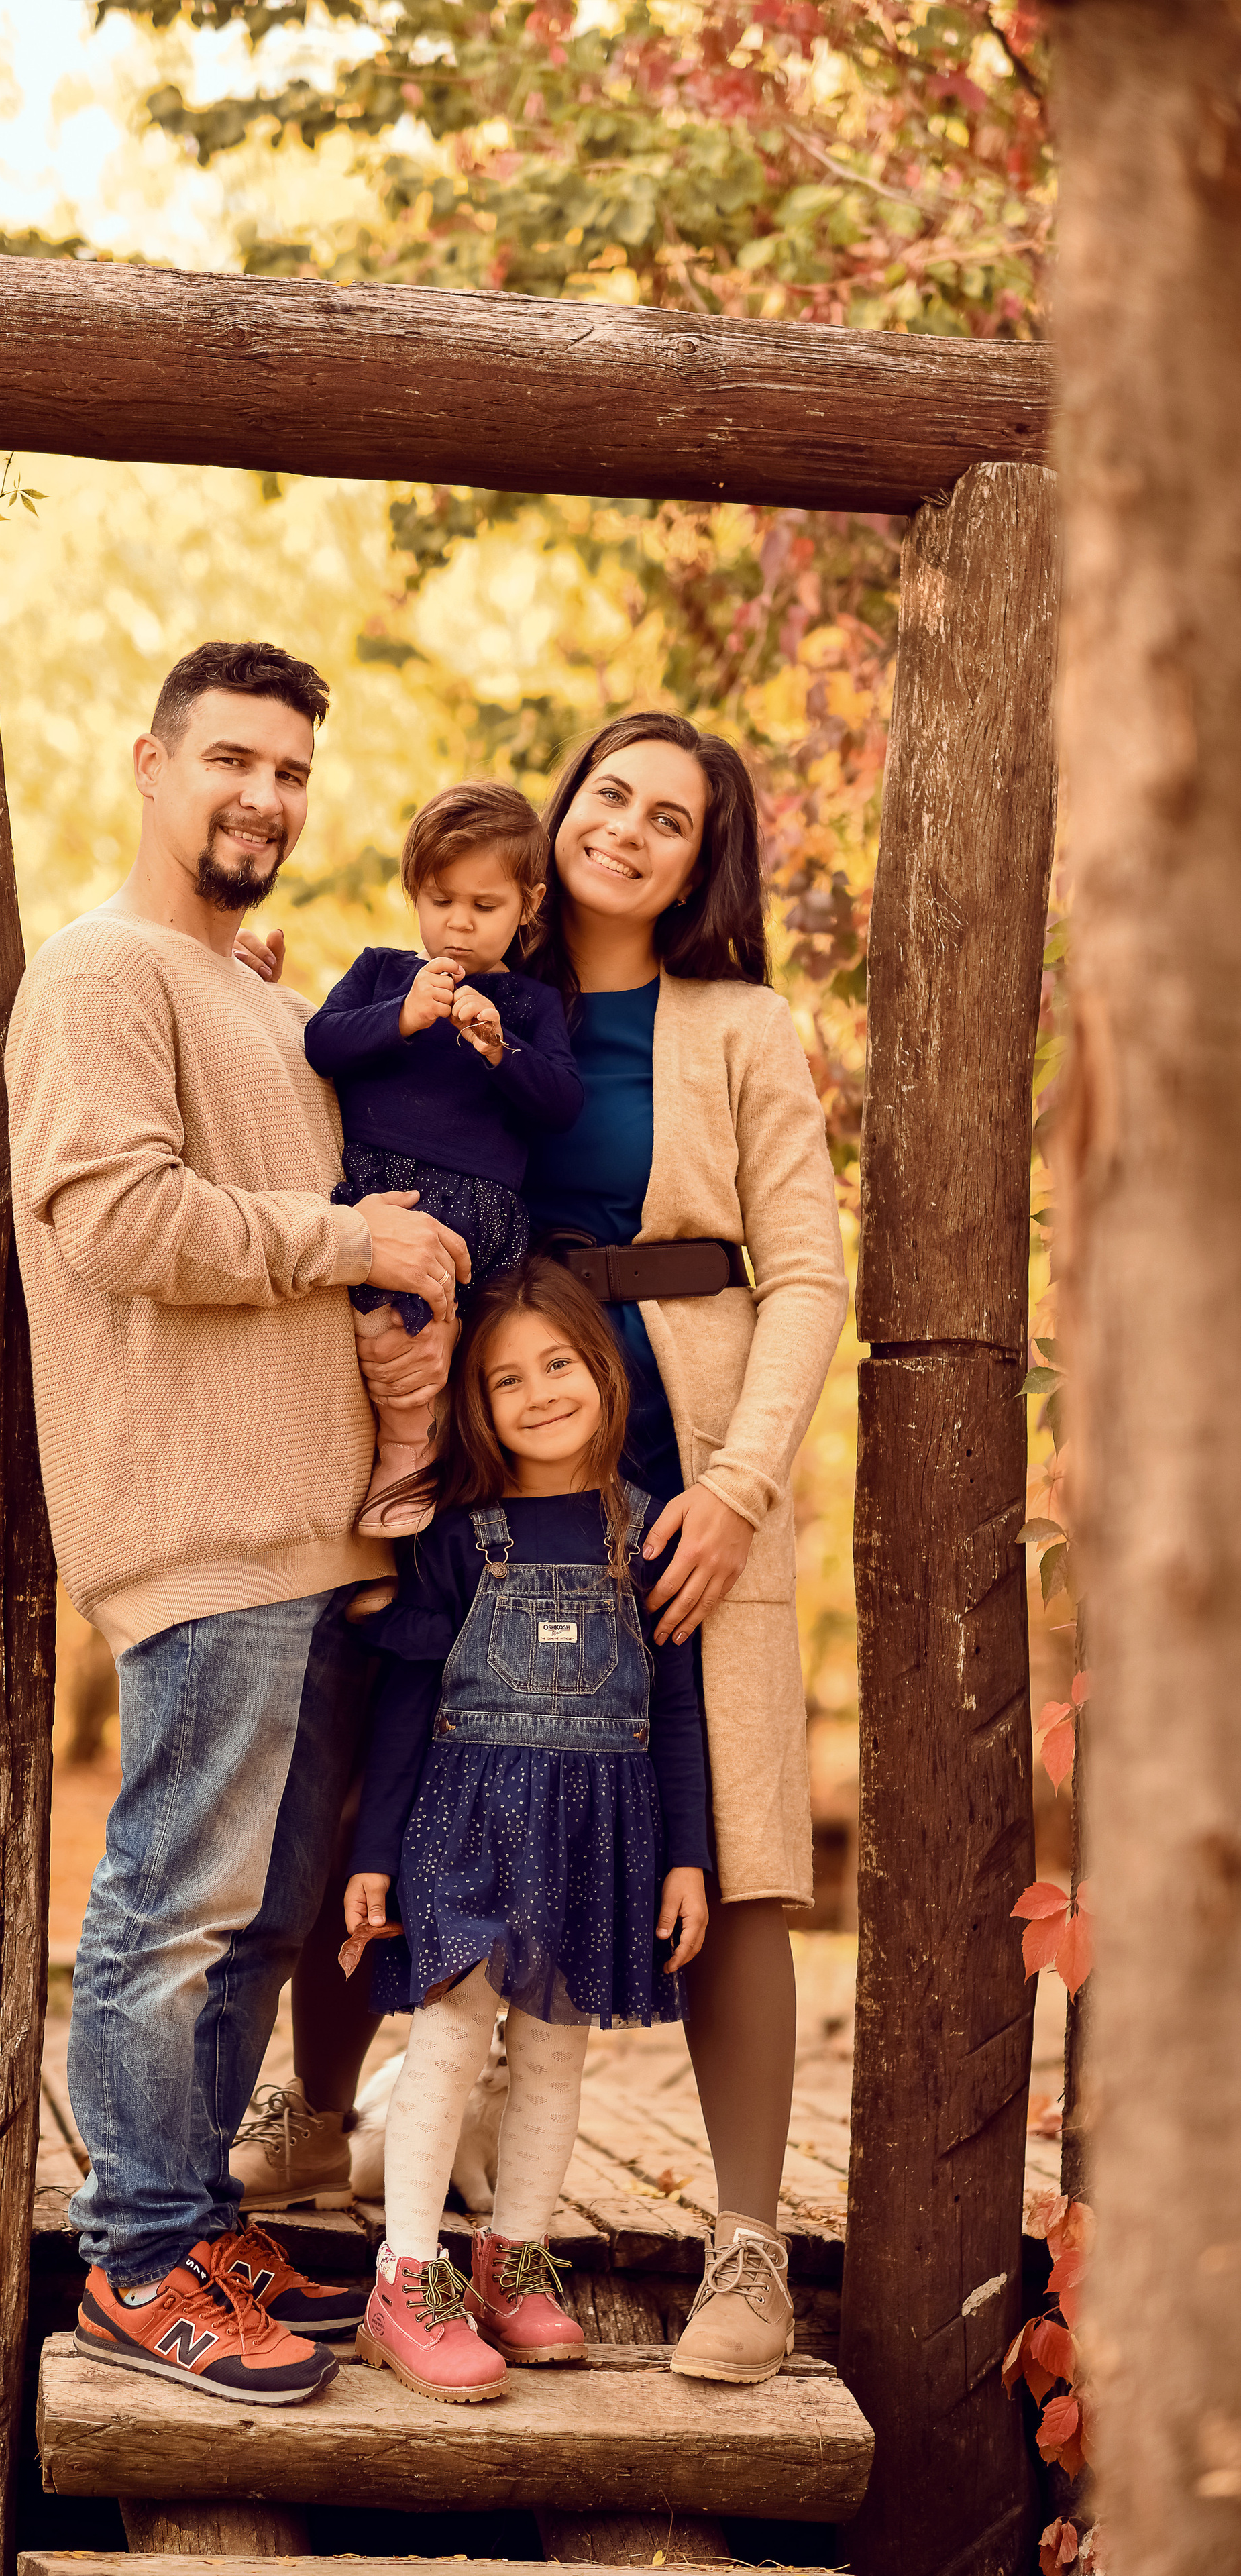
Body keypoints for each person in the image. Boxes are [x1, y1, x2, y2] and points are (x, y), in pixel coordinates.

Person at [237, 710, 848, 2389]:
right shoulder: (473, 974)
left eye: (671, 816)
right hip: (485, 1419)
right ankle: (305, 2107)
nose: (630, 828)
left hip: (684, 1444)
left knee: (718, 1830)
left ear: (700, 859)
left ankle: (742, 2248)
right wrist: (263, 994)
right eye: (609, 794)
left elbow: (804, 1270)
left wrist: (731, 1483)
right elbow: (327, 1097)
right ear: (557, 812)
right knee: (388, 1738)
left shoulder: (736, 1022)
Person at [4, 638, 472, 2406]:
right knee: (175, 1906)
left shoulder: (268, 1004)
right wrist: (348, 1242)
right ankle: (136, 2259)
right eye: (233, 761)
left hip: (323, 1535)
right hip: (200, 1525)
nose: (264, 796)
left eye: (291, 772)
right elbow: (121, 1220)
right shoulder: (99, 971)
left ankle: (195, 2219)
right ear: (151, 763)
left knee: (265, 1917)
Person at [341, 1255, 711, 2402]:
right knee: (451, 2039)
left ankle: (513, 2256)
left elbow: (680, 1707)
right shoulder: (461, 1536)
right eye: (508, 1381)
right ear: (478, 1406)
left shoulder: (650, 1532)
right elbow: (408, 1696)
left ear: (602, 1370)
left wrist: (690, 1853)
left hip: (600, 1828)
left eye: (560, 1365)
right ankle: (408, 2277)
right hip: (466, 1820)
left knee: (554, 2054)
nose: (541, 1392)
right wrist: (370, 1851)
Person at [303, 781, 584, 1534]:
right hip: (381, 1195)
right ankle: (399, 1469)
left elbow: (560, 1103)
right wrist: (400, 1016)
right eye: (439, 900)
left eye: (484, 907)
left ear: (527, 905)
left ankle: (411, 1463)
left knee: (434, 1350)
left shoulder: (528, 1006)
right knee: (378, 1336)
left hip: (473, 1208)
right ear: (413, 894)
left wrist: (500, 1049)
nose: (457, 924)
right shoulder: (381, 975)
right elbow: (321, 1043)